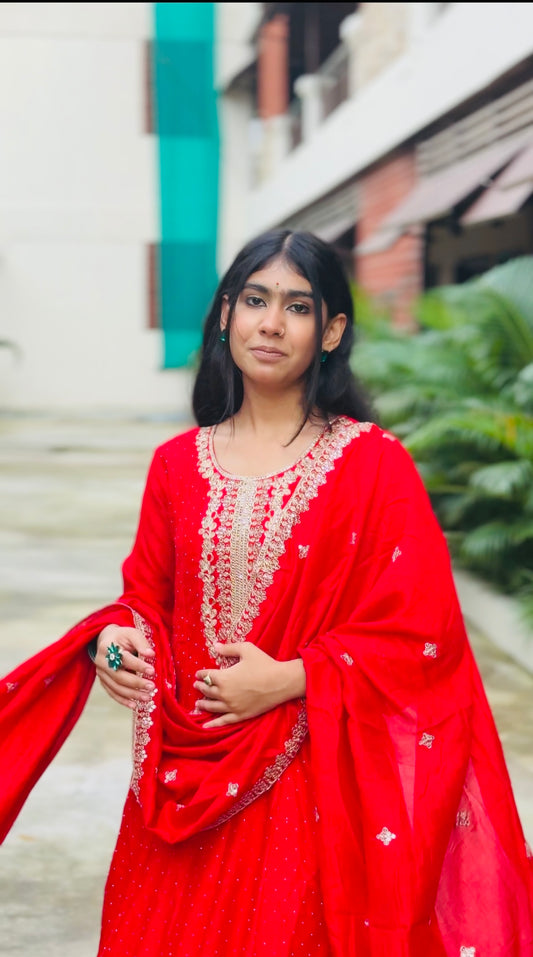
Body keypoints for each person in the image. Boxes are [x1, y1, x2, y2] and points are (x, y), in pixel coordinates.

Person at [1, 229, 532, 957]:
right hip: (178, 779)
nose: (271, 323)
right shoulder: (176, 464)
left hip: (308, 782)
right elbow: (144, 596)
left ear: (332, 330)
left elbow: (424, 632)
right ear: (225, 314)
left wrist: (295, 676)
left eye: (297, 306)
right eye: (254, 300)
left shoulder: (372, 465)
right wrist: (115, 639)